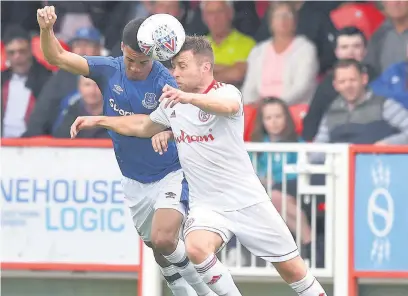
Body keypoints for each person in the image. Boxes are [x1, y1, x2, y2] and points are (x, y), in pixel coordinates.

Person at [71, 35, 327, 296]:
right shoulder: (173, 103)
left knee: (293, 271)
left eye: (182, 66)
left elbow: (227, 106)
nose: (175, 73)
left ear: (205, 68)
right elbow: (142, 125)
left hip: (248, 200)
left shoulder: (225, 92)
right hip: (208, 204)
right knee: (195, 247)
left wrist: (188, 99)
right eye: (173, 67)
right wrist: (100, 120)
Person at [36, 6, 213, 296]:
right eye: (130, 60)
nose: (134, 68)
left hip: (170, 172)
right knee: (160, 250)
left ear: (153, 56)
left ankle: (211, 292)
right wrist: (46, 29)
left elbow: (148, 124)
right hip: (133, 181)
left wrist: (106, 120)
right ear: (121, 49)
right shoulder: (108, 69)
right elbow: (56, 56)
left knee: (165, 239)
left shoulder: (164, 81)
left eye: (142, 62)